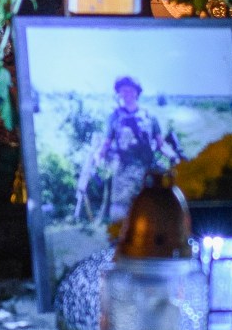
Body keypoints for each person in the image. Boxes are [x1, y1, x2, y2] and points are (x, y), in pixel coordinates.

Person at [77, 76, 183, 225]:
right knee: (121, 214)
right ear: (119, 94)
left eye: (129, 90)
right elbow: (107, 143)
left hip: (147, 171)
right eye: (122, 91)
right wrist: (98, 156)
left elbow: (161, 144)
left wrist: (174, 156)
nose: (126, 94)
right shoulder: (114, 117)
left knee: (152, 210)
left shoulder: (149, 117)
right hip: (123, 174)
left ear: (136, 93)